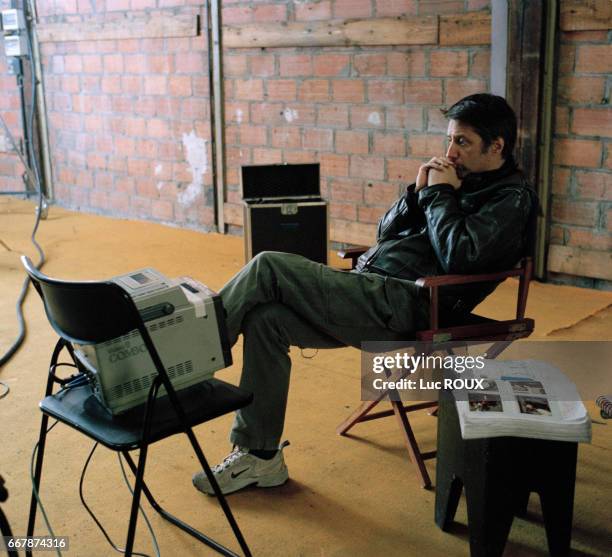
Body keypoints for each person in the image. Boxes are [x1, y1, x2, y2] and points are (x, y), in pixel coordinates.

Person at [193, 93, 538, 496]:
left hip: (408, 304)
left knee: (268, 265)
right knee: (264, 320)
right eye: (449, 140)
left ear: (497, 146)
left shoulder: (511, 200)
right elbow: (384, 235)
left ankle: (190, 358)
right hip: (370, 289)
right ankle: (261, 457)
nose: (450, 152)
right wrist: (417, 193)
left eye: (462, 142)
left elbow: (461, 254)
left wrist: (437, 196)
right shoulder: (457, 181)